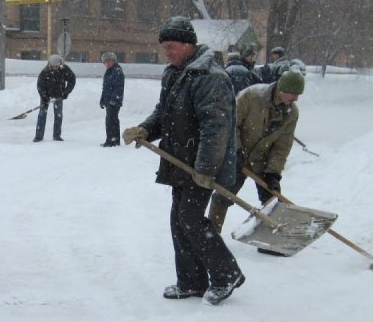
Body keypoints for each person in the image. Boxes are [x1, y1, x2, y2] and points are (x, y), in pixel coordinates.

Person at [121, 16, 245, 306]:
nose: (167, 52)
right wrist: (145, 129)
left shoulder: (210, 77)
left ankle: (227, 274)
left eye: (172, 46)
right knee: (179, 221)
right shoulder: (175, 74)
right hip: (180, 162)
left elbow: (215, 129)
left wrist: (205, 169)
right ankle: (191, 281)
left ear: (189, 44)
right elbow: (163, 113)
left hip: (199, 166)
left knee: (189, 220)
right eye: (164, 47)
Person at [207, 69, 304, 256]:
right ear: (282, 89)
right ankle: (211, 237)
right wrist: (234, 151)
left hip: (262, 161)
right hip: (237, 156)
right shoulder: (252, 96)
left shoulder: (291, 112)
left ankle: (269, 242)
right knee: (223, 195)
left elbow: (283, 145)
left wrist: (273, 172)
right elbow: (229, 123)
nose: (296, 99)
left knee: (273, 200)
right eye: (294, 94)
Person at [33, 54, 75, 142]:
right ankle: (39, 136)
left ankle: (57, 136)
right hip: (46, 96)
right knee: (42, 115)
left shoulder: (64, 69)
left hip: (59, 96)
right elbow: (40, 85)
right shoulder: (45, 71)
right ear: (50, 64)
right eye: (53, 66)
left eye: (57, 66)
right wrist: (44, 97)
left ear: (60, 64)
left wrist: (66, 92)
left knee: (58, 115)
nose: (55, 67)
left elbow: (72, 80)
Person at [99, 51, 125, 147]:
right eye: (106, 61)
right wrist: (102, 99)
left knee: (111, 121)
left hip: (114, 101)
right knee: (112, 120)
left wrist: (113, 100)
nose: (107, 63)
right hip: (109, 101)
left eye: (109, 61)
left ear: (114, 61)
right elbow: (105, 88)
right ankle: (114, 140)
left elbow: (119, 88)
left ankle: (111, 140)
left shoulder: (117, 71)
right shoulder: (109, 71)